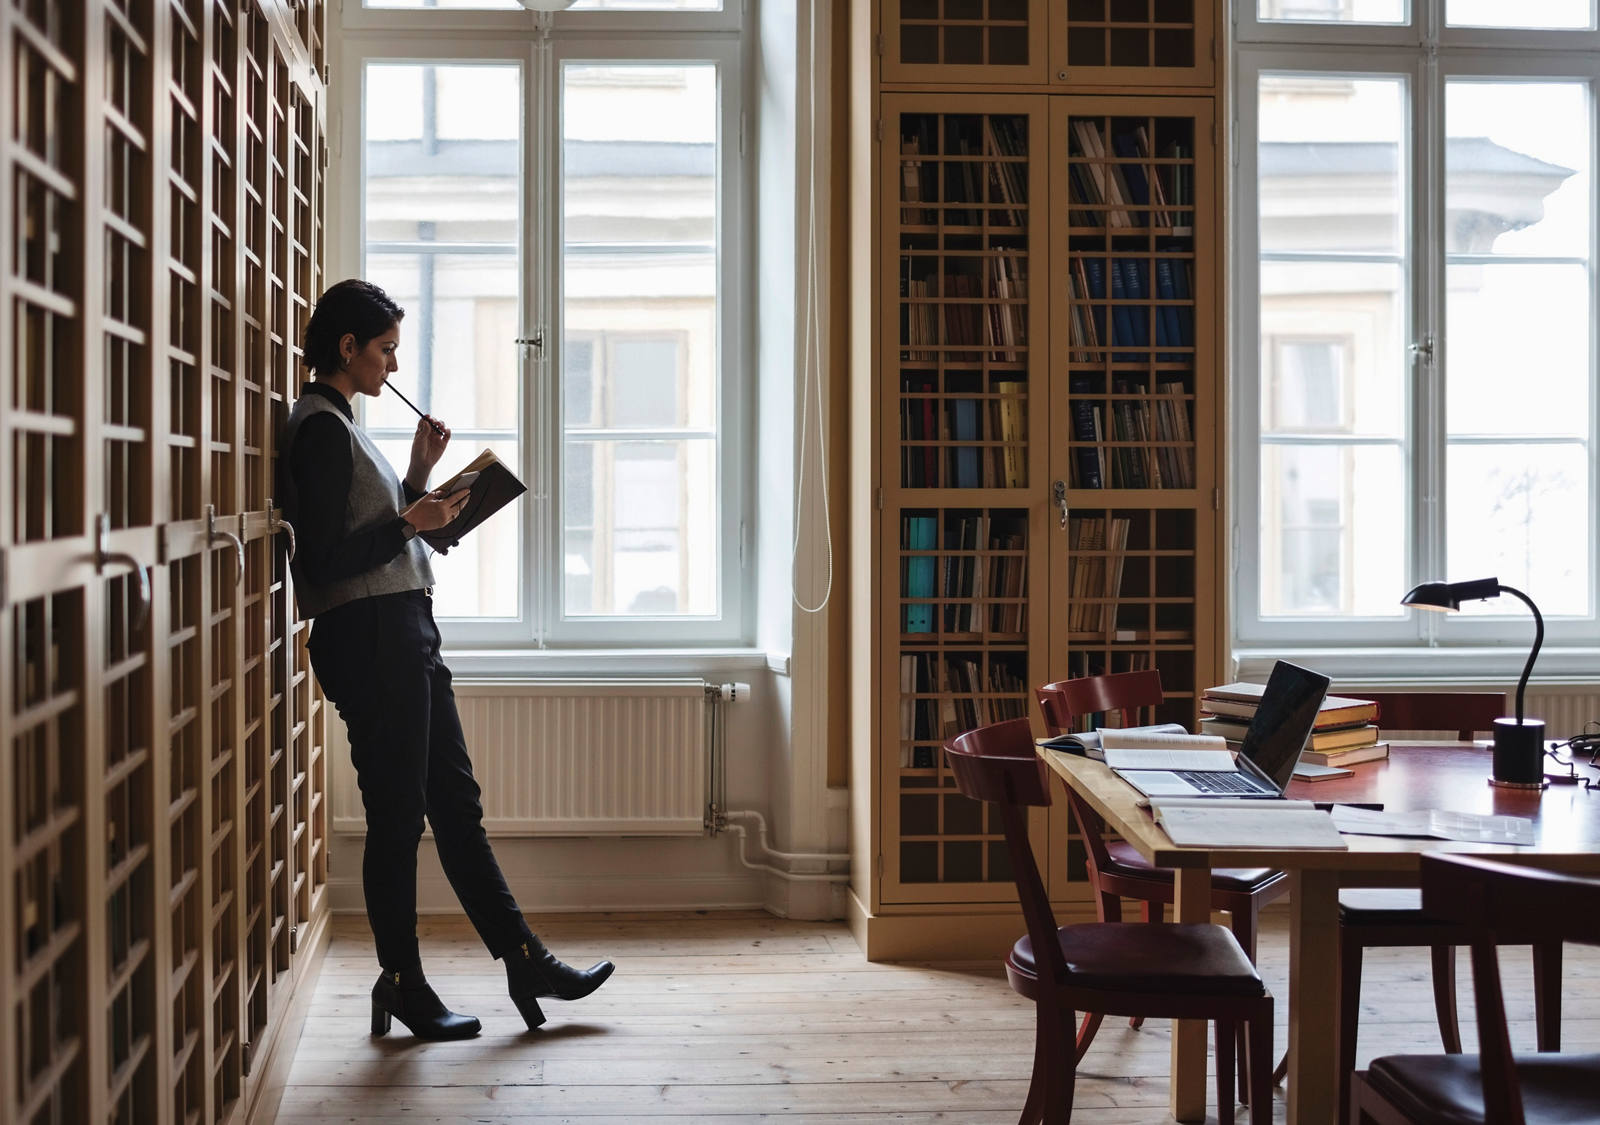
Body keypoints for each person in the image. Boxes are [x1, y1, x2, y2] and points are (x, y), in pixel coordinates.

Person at [278, 279, 613, 1039]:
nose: (393, 366)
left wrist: (421, 478)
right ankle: (402, 981)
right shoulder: (320, 428)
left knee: (454, 806)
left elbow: (383, 531)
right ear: (347, 347)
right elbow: (325, 564)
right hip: (370, 640)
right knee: (398, 818)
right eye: (386, 349)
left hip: (404, 631)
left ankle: (524, 957)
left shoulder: (344, 424)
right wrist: (409, 518)